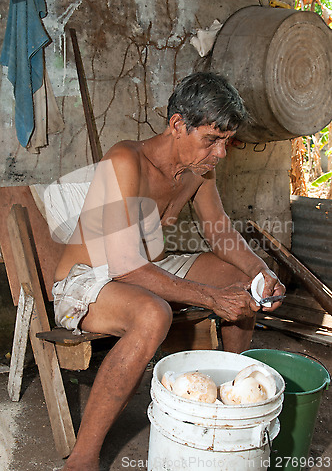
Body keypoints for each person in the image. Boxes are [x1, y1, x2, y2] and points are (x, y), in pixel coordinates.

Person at [53, 72, 285, 470]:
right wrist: (210, 297)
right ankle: (83, 457)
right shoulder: (125, 160)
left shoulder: (199, 169)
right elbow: (124, 264)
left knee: (241, 282)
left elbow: (219, 231)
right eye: (212, 140)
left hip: (149, 265)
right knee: (153, 313)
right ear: (178, 125)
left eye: (226, 142)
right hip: (88, 278)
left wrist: (261, 270)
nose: (220, 153)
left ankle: (228, 403)